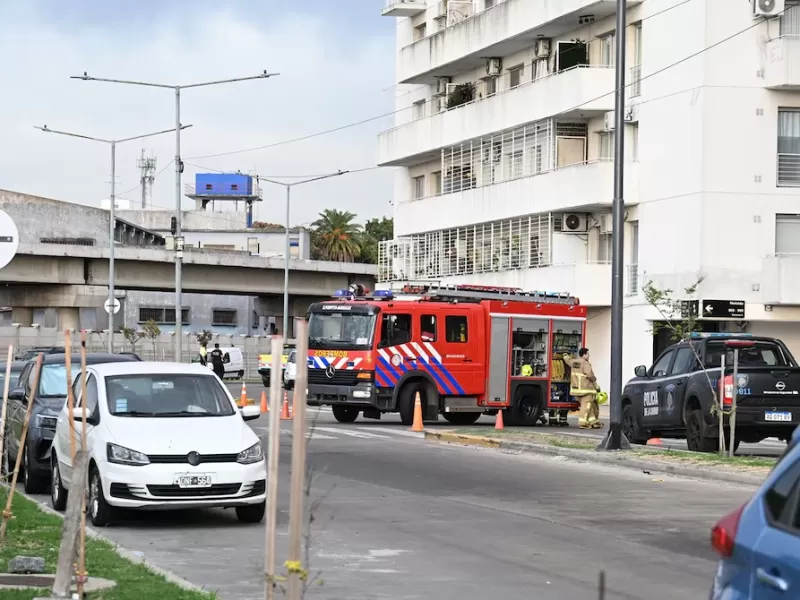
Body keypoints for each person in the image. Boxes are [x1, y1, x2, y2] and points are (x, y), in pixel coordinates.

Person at [569, 347, 602, 429]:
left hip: (576, 390)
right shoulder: (585, 363)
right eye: (588, 354)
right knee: (586, 407)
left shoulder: (574, 362)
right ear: (584, 355)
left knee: (589, 407)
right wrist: (594, 379)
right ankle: (583, 423)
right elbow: (590, 375)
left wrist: (565, 355)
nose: (589, 355)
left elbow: (567, 360)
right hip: (586, 390)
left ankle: (594, 422)